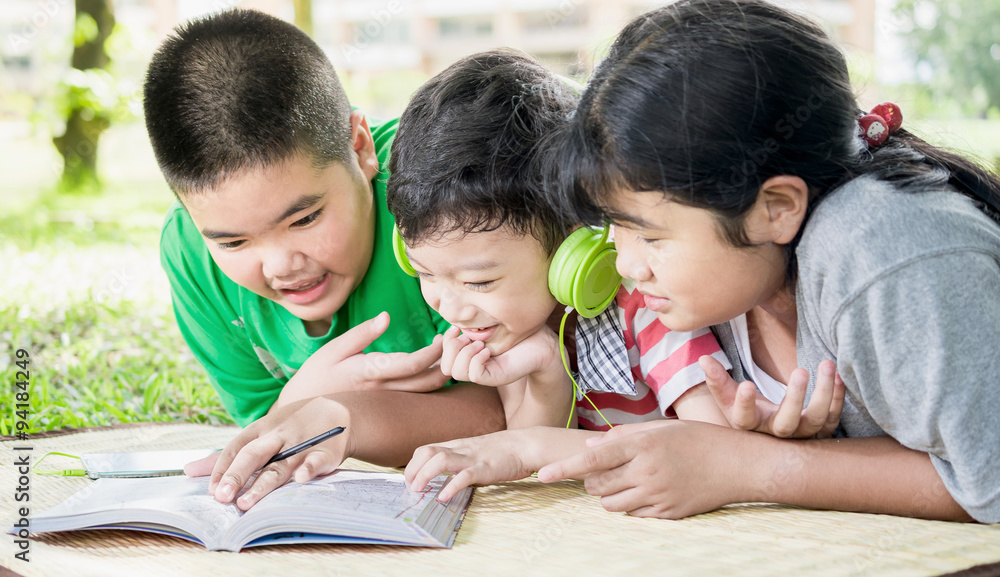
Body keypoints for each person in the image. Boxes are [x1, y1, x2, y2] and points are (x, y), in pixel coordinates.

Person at [534, 0, 1000, 523]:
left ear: (776, 208)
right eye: (614, 226)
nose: (626, 266)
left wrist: (746, 465)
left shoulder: (885, 250)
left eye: (651, 236)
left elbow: (991, 478)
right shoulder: (738, 275)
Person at [394, 50, 844, 501]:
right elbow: (532, 466)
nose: (450, 306)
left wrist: (532, 445)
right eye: (424, 273)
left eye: (479, 282)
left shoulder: (647, 308)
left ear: (572, 241)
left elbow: (714, 447)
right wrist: (548, 370)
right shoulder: (507, 326)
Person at [143, 9, 504, 510]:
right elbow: (271, 434)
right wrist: (305, 402)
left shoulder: (446, 194)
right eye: (233, 243)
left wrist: (334, 409)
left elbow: (511, 410)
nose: (281, 266)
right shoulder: (189, 253)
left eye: (305, 219)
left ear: (359, 150)